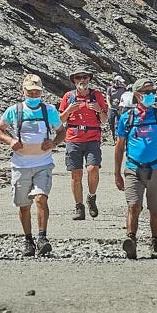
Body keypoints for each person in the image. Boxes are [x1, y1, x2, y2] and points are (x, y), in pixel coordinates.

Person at [0, 74, 66, 257]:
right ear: (23, 91)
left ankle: (42, 238)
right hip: (20, 165)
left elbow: (61, 132)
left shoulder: (49, 110)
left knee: (41, 198)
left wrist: (54, 143)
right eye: (30, 92)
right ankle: (28, 240)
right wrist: (10, 141)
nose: (33, 95)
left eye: (37, 92)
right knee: (24, 205)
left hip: (43, 163)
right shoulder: (14, 110)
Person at [114, 77, 157, 259]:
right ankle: (131, 240)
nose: (151, 95)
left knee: (155, 210)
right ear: (137, 95)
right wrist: (116, 173)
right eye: (147, 93)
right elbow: (119, 146)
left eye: (153, 92)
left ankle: (155, 242)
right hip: (133, 169)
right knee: (134, 206)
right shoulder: (126, 118)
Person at [59, 68, 108, 220]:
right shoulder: (68, 96)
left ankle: (91, 197)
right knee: (76, 173)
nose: (82, 80)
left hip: (92, 137)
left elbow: (105, 120)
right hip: (73, 139)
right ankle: (79, 207)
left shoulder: (97, 95)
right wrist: (68, 110)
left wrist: (99, 110)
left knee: (93, 169)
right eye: (78, 77)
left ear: (89, 79)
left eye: (85, 77)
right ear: (74, 80)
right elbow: (60, 119)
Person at [107, 75, 127, 142]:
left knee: (117, 123)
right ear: (116, 81)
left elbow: (125, 97)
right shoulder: (110, 89)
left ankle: (117, 139)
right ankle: (113, 137)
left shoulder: (123, 89)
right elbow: (108, 97)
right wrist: (109, 105)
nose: (121, 83)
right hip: (111, 109)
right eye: (120, 82)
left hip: (119, 109)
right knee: (111, 123)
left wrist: (121, 103)